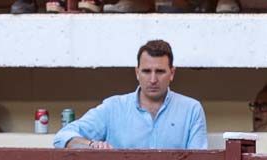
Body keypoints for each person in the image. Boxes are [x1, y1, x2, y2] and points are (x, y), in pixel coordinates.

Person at [53, 40, 207, 150]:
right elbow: (62, 137)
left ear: (172, 73)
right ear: (137, 72)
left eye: (160, 71)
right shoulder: (113, 108)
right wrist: (92, 146)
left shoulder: (191, 110)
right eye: (146, 71)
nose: (153, 80)